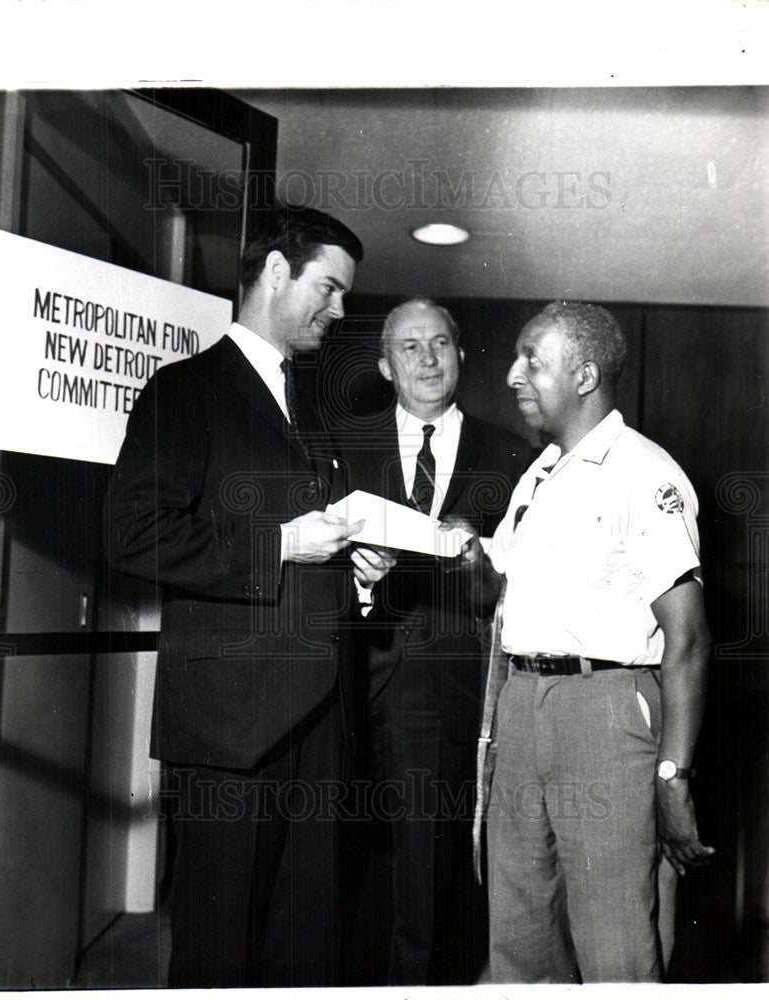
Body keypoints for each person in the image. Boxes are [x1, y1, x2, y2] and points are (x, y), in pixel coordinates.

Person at [103, 206, 394, 988]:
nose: (339, 311)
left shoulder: (313, 411)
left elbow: (311, 538)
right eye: (328, 290)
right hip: (231, 731)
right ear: (274, 273)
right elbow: (133, 533)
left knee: (304, 949)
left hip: (321, 722)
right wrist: (282, 546)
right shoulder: (185, 390)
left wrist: (352, 573)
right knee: (219, 948)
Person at [475, 300, 714, 983]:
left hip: (605, 712)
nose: (514, 375)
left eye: (533, 360)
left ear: (583, 375)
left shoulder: (646, 473)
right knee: (520, 933)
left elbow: (689, 638)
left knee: (615, 942)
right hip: (523, 706)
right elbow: (505, 587)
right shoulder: (542, 472)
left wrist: (673, 775)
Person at [337, 299, 530, 985]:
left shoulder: (514, 458)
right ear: (387, 365)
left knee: (431, 875)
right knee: (341, 873)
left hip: (447, 693)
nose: (427, 359)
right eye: (410, 347)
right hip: (341, 682)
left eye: (441, 344)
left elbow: (518, 588)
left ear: (461, 358)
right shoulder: (340, 445)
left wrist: (477, 560)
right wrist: (352, 574)